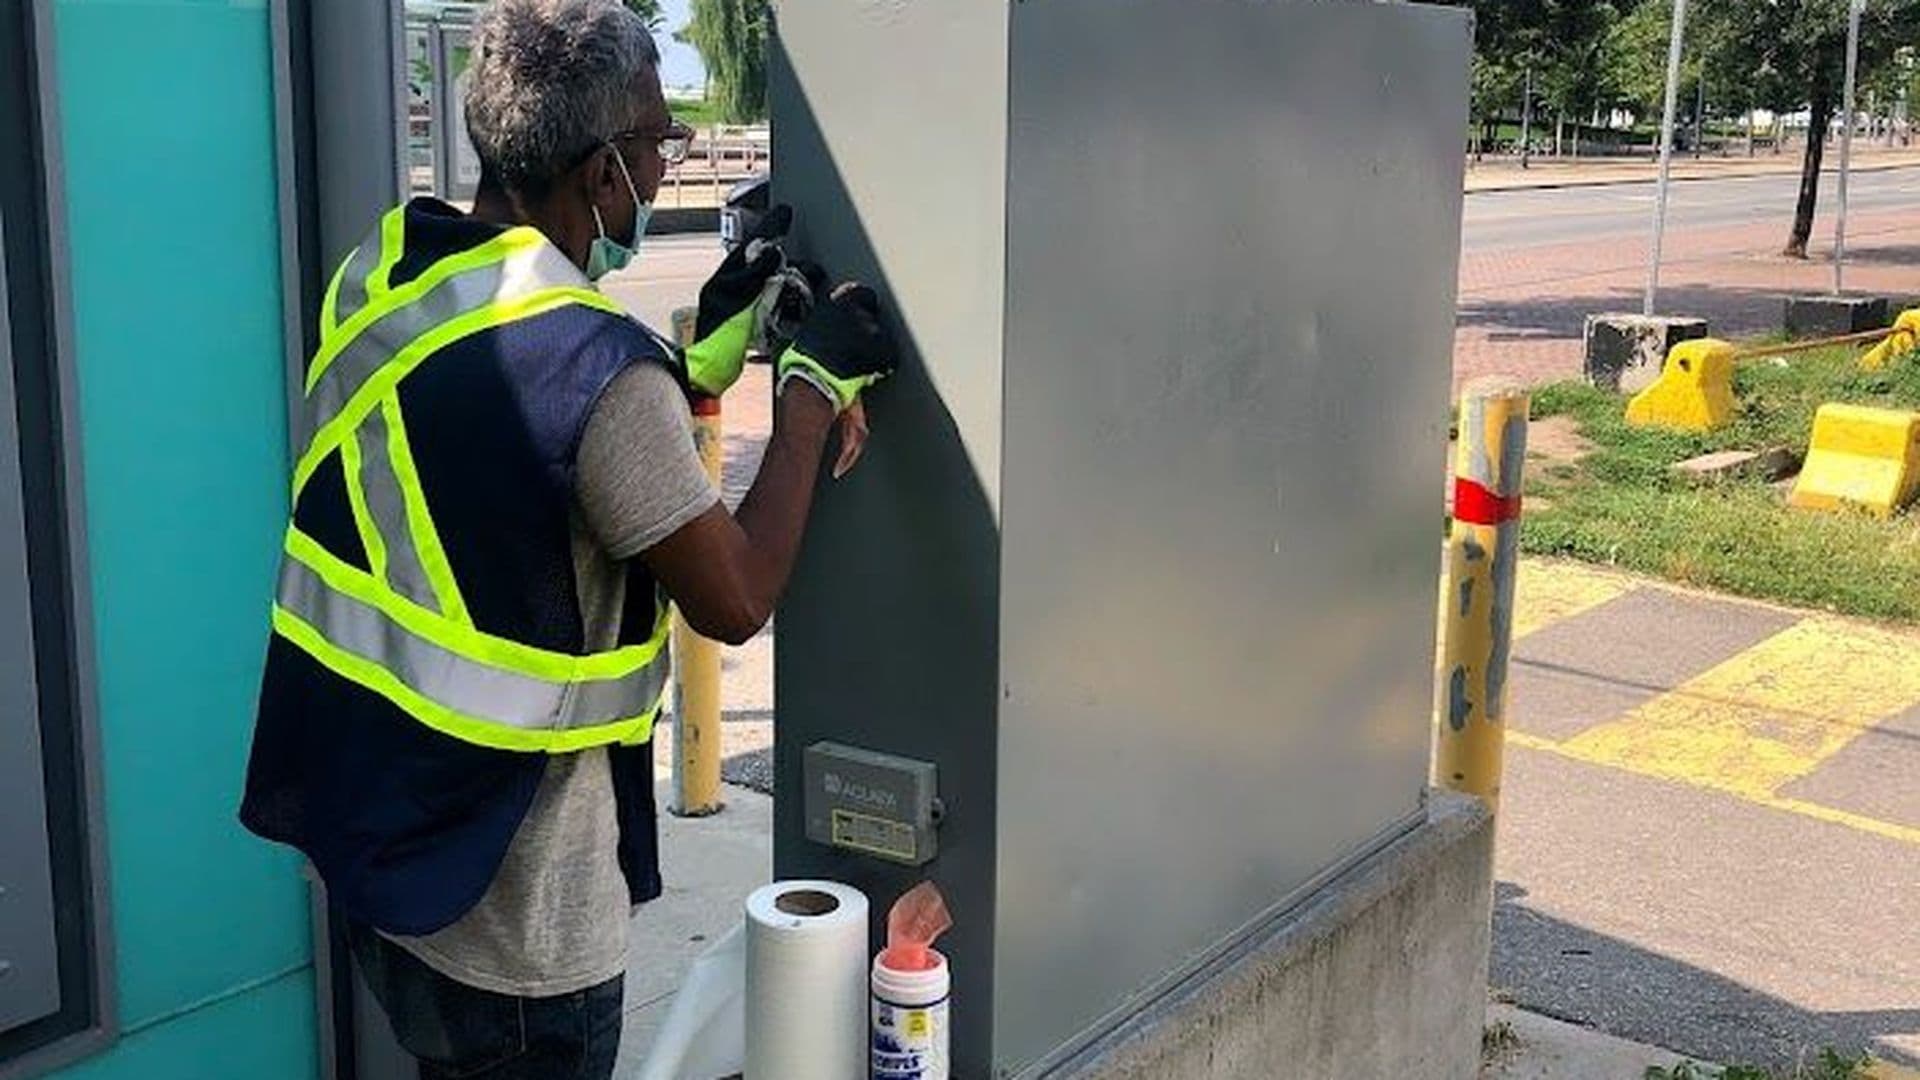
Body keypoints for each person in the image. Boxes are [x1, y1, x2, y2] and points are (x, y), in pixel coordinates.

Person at [238, 1, 895, 1076]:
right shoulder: (600, 374)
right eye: (659, 143)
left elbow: (504, 454)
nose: (665, 162)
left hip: (383, 849)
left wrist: (693, 369)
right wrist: (809, 394)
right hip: (519, 924)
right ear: (603, 175)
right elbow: (735, 599)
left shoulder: (386, 276)